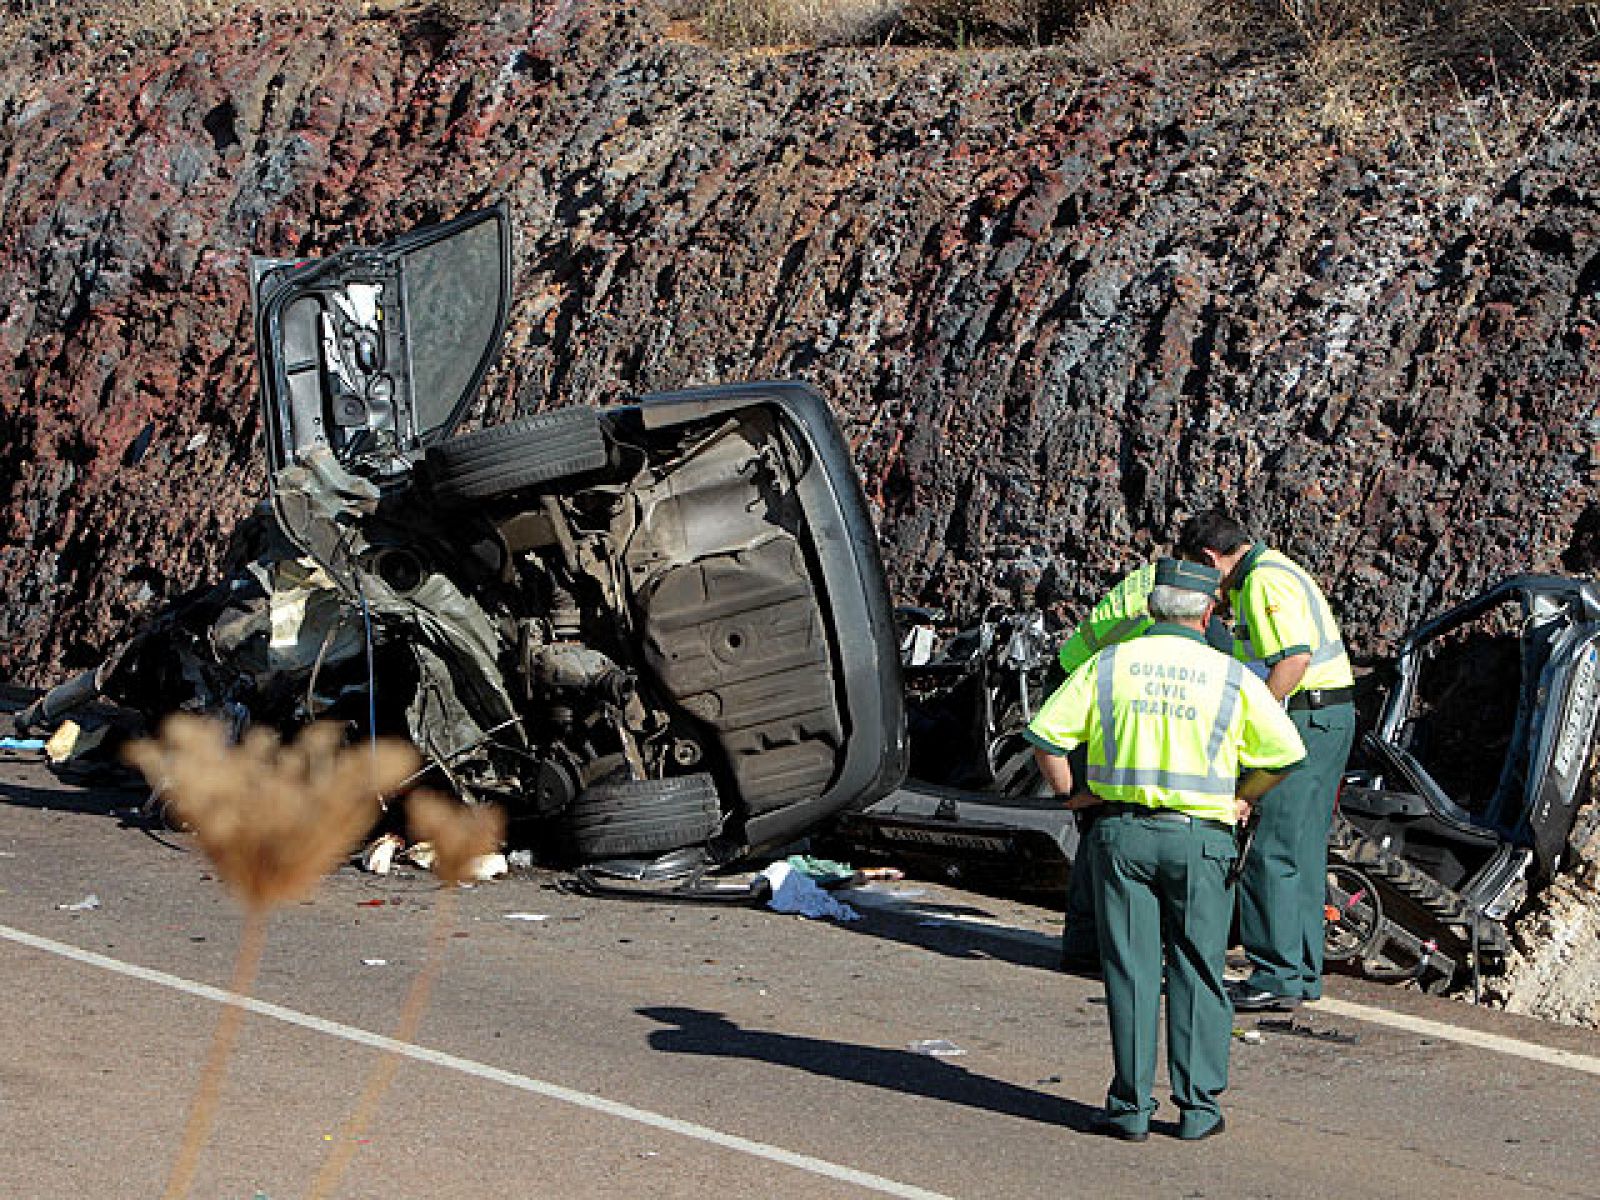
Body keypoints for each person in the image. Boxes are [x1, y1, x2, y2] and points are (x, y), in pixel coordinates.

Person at [1025, 558, 1306, 1141]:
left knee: (1128, 968)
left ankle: (1129, 1107)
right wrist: (1242, 798)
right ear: (1207, 613)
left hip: (1120, 833)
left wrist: (1072, 797)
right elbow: (1283, 755)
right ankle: (1198, 1107)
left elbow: (1047, 738)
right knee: (1199, 968)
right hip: (1201, 840)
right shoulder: (1230, 677)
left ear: (1151, 609)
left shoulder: (1109, 666)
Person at [1177, 510, 1357, 1013]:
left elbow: (1293, 661)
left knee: (1272, 848)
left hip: (1305, 718)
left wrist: (1257, 721)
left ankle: (1276, 974)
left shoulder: (1261, 582)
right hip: (1327, 717)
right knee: (1301, 849)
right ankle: (1299, 972)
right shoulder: (1276, 569)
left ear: (1212, 559)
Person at [1054, 563, 1234, 973]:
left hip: (1085, 681)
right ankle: (1105, 946)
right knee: (1113, 819)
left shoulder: (1154, 583)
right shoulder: (1188, 603)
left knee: (1101, 822)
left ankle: (1087, 945)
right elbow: (1223, 666)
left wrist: (1072, 796)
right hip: (1109, 697)